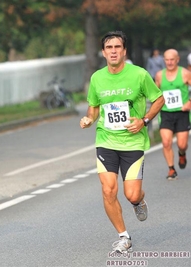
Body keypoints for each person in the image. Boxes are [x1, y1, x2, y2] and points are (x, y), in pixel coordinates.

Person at [80, 31, 164, 253]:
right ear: (103, 52)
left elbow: (159, 99)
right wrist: (89, 118)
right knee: (108, 190)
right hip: (106, 140)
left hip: (133, 142)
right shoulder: (97, 78)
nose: (114, 51)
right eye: (109, 48)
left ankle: (139, 201)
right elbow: (94, 106)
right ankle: (124, 236)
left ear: (124, 51)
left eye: (118, 47)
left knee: (131, 194)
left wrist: (144, 121)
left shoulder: (139, 74)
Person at [154, 49, 191, 180]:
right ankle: (171, 169)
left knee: (182, 144)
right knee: (166, 142)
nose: (169, 62)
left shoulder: (185, 73)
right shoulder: (159, 75)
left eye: (172, 60)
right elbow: (154, 93)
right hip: (166, 113)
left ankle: (182, 153)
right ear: (164, 60)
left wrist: (189, 103)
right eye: (167, 60)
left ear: (177, 60)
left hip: (182, 113)